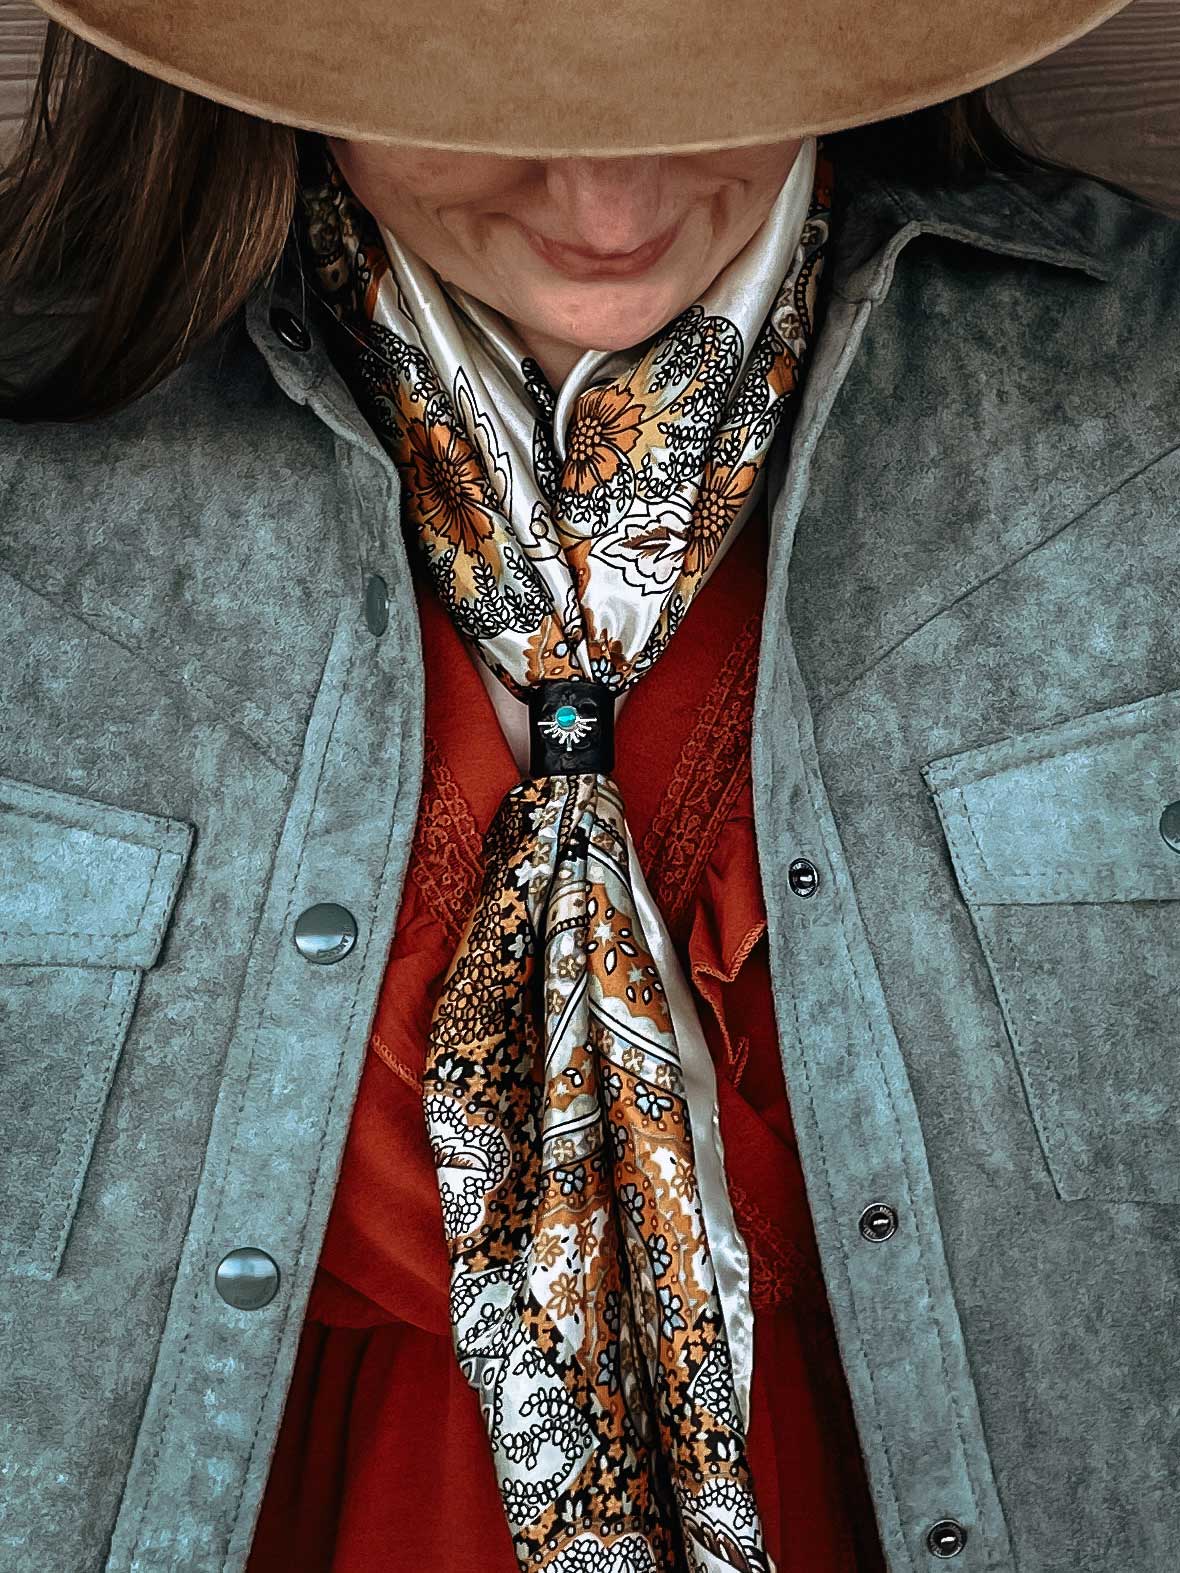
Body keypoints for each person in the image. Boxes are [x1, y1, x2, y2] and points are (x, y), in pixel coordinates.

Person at [0, 0, 1176, 1568]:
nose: (609, 211)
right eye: (495, 107)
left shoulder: (1140, 420)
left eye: (704, 84)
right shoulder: (32, 496)